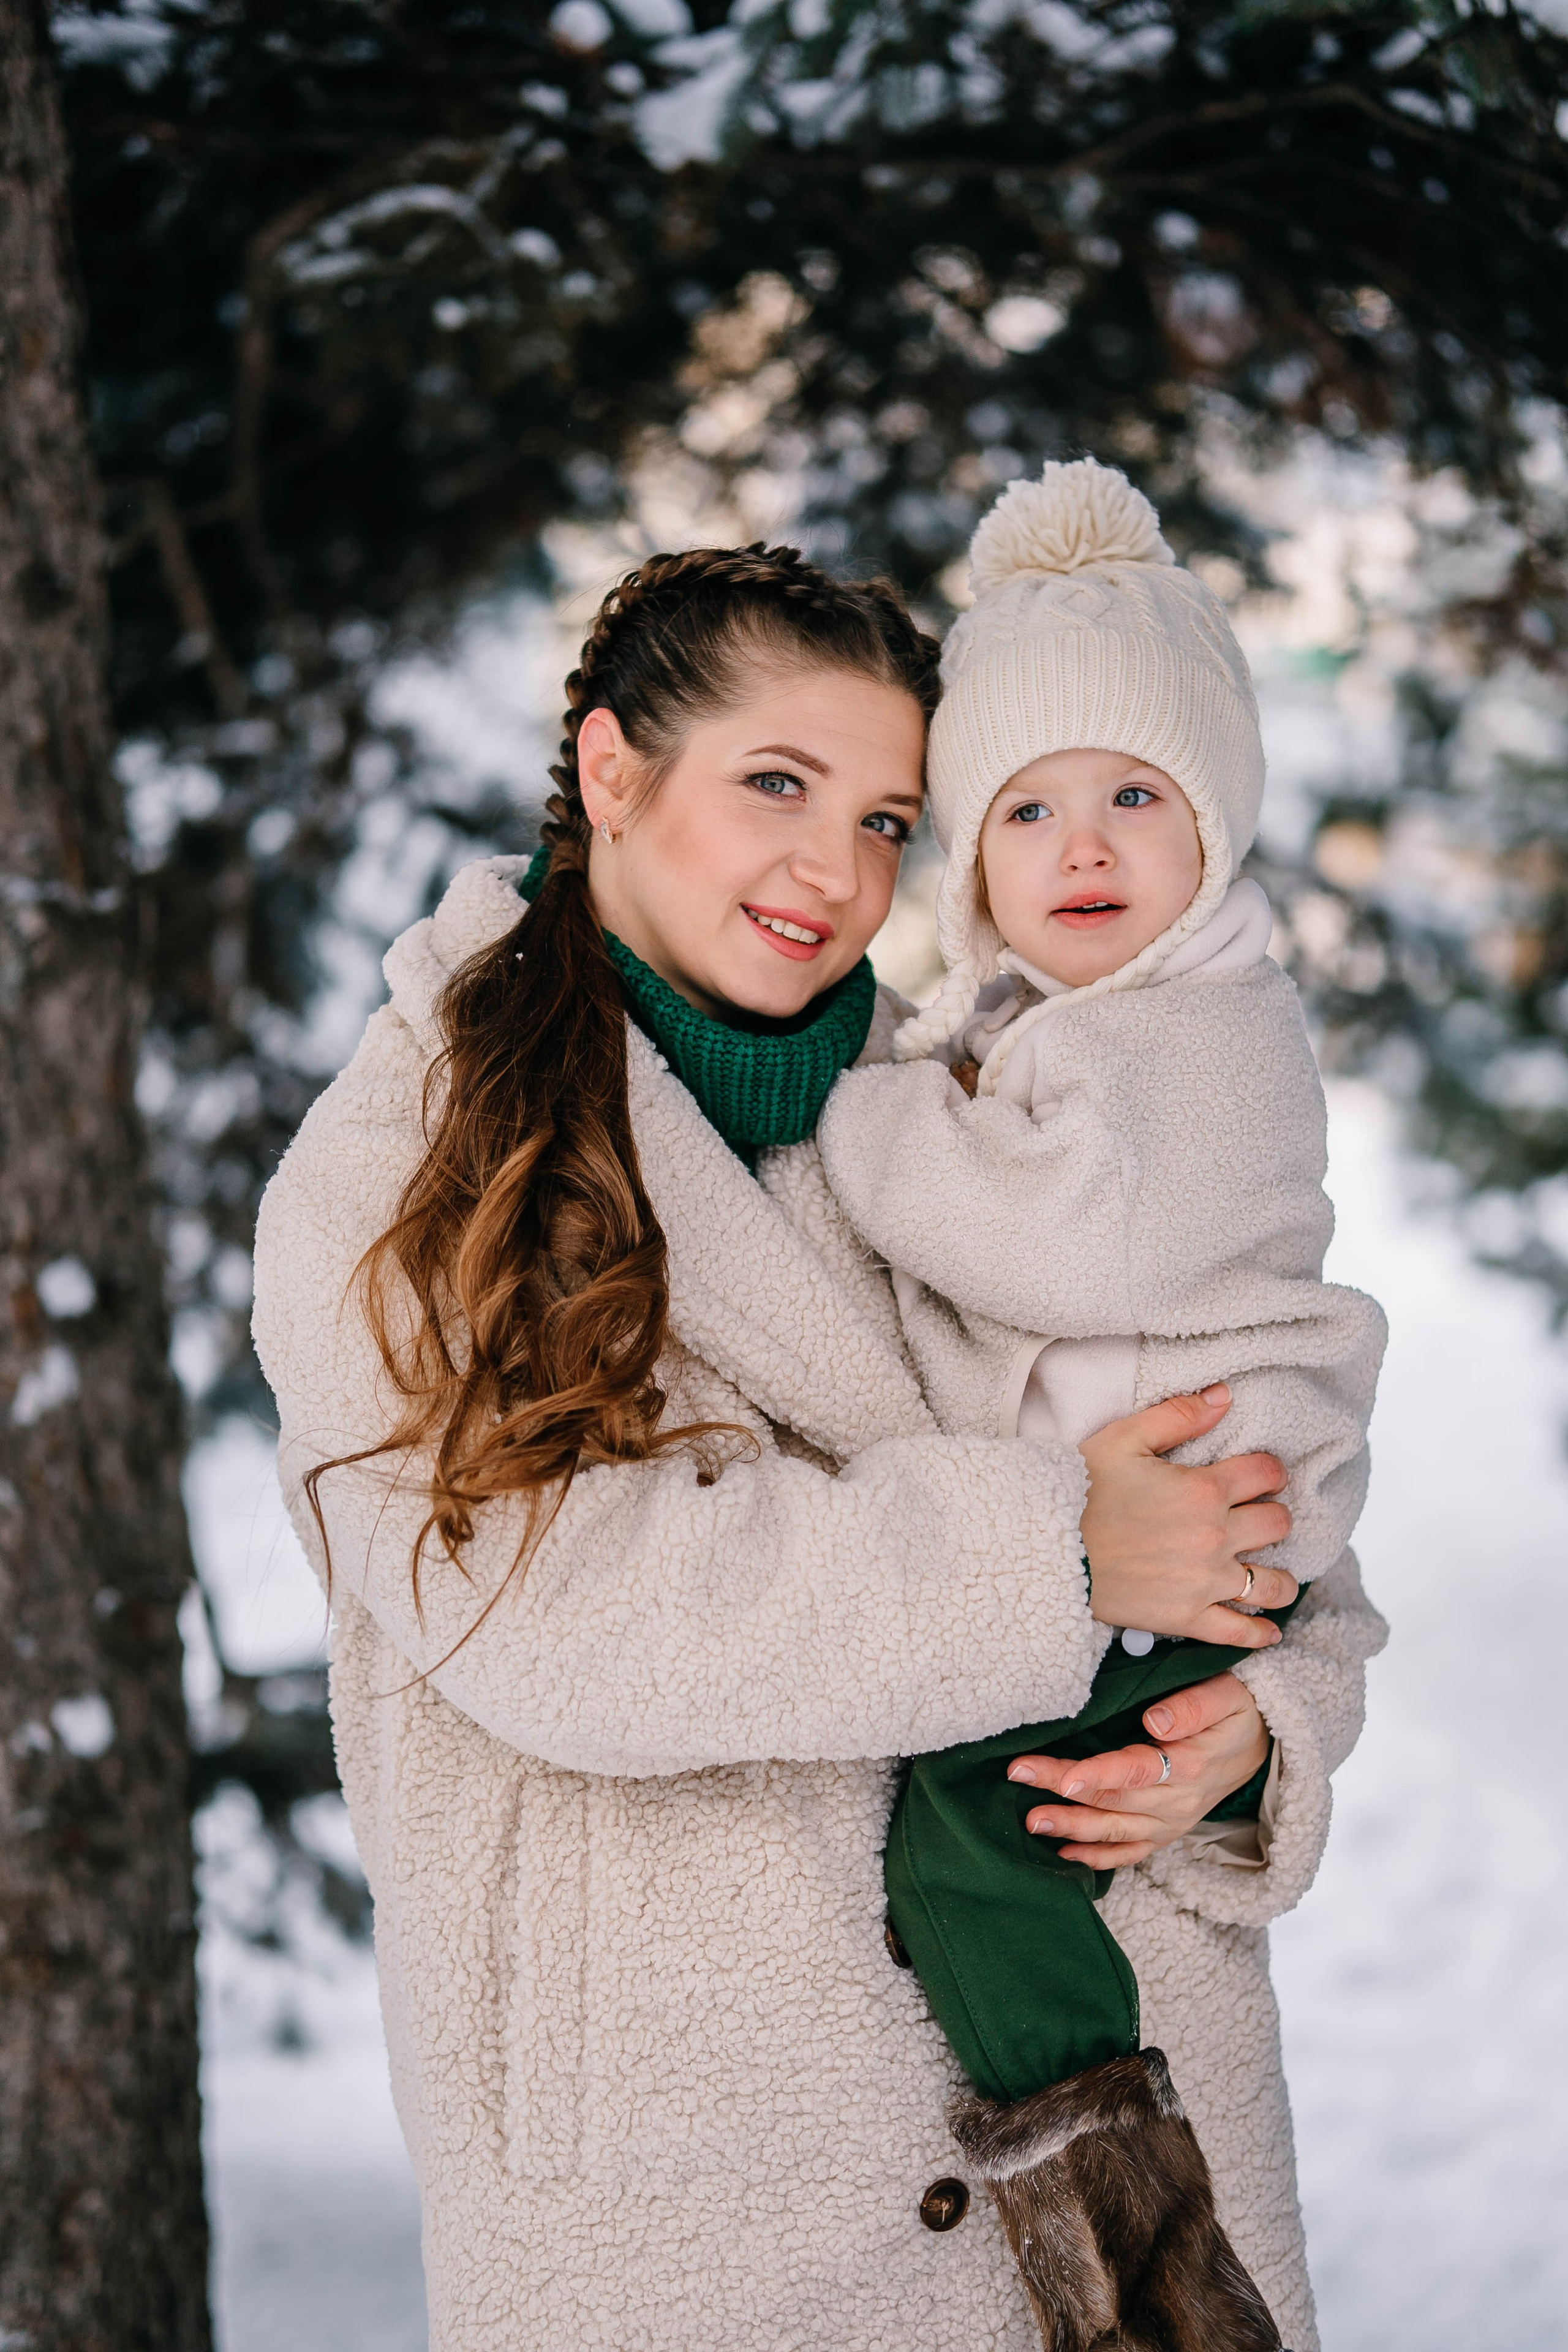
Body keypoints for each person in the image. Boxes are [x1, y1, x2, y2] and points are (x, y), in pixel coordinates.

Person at [251, 542, 1385, 2352]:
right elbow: (561, 1608)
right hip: (702, 2214)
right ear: (613, 774)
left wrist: (1255, 1728)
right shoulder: (409, 1166)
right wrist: (1060, 1562)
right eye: (777, 785)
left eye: (882, 820)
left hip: (1130, 2183)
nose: (833, 872)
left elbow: (1248, 1456)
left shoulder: (955, 1120)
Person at [817, 459, 1387, 2344]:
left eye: (1136, 797)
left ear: (1211, 832)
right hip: (1152, 1559)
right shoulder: (1077, 1025)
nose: (1084, 843)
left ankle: (1114, 2210)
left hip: (1185, 1572)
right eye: (1030, 806)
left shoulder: (1210, 1032)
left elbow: (1054, 1246)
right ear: (970, 851)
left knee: (972, 1845)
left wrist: (872, 1106)